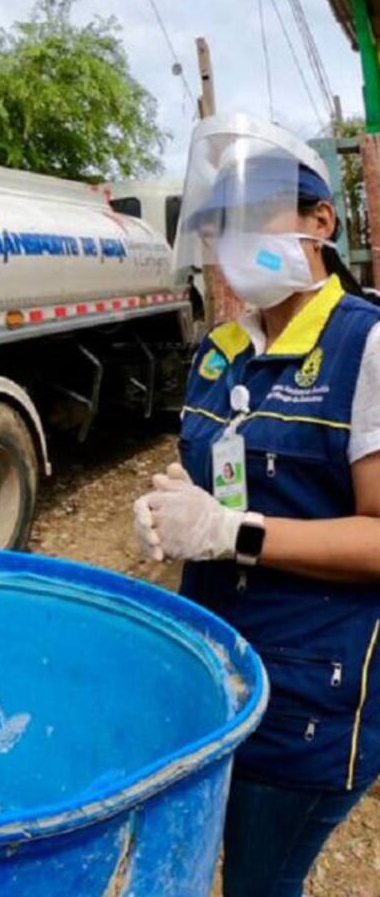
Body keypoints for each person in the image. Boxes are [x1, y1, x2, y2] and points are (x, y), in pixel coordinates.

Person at [134, 114, 380, 896]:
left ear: (321, 221)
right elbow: (220, 479)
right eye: (223, 223)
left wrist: (232, 532)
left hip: (312, 692)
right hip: (220, 666)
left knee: (258, 884)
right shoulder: (223, 350)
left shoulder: (363, 345)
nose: (237, 241)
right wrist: (176, 512)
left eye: (258, 215)